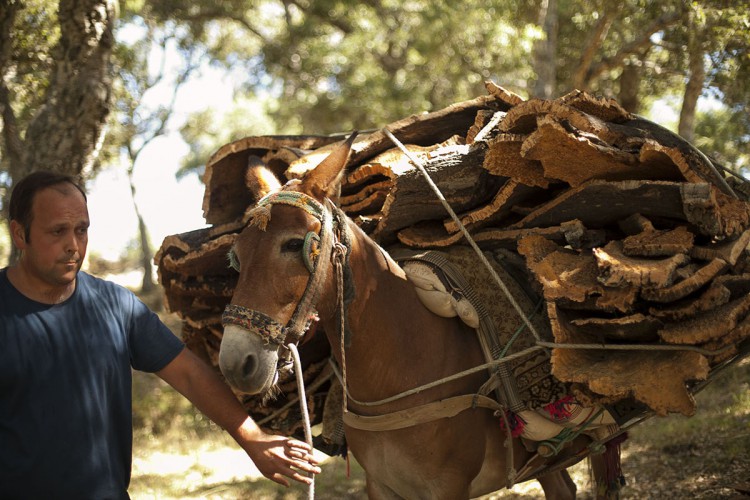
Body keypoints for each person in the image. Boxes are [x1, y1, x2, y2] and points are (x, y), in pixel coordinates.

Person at [0, 171, 321, 499]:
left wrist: (253, 438)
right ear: (19, 234)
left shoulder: (116, 305)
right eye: (57, 232)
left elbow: (189, 374)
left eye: (81, 230)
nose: (73, 245)